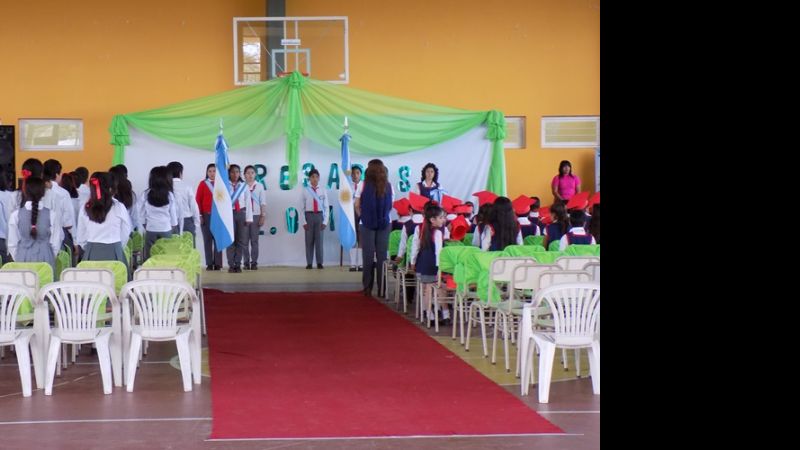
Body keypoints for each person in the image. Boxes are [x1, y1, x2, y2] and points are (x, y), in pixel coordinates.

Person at [76, 172, 132, 278]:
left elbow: (81, 236)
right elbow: (126, 231)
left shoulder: (85, 207)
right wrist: (118, 245)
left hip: (92, 253)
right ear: (111, 189)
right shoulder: (119, 207)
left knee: (91, 285)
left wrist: (89, 247)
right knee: (117, 284)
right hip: (114, 252)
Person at [8, 176, 63, 277]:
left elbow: (12, 243)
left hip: (22, 257)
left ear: (25, 191)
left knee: (24, 286)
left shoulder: (15, 215)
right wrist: (49, 255)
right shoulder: (52, 214)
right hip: (46, 258)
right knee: (46, 286)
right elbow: (56, 241)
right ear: (43, 192)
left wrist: (20, 256)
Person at [354, 159, 393, 296]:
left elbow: (357, 205)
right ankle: (382, 289)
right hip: (384, 224)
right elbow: (390, 206)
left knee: (368, 256)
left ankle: (367, 288)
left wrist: (364, 216)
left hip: (366, 224)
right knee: (382, 257)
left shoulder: (363, 184)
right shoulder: (388, 185)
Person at [410, 203, 448, 325]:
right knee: (440, 288)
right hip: (434, 265)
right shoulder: (437, 232)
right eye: (441, 217)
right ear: (432, 219)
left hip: (423, 264)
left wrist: (412, 261)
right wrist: (440, 269)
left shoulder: (421, 229)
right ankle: (445, 315)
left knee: (427, 290)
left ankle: (429, 315)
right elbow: (439, 252)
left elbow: (415, 247)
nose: (443, 220)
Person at [137, 166, 177, 261]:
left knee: (150, 256)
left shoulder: (146, 194)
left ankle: (149, 270)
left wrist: (145, 224)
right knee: (166, 256)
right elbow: (173, 215)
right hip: (166, 228)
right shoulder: (170, 195)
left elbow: (140, 212)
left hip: (150, 228)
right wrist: (173, 226)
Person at [225, 164, 253, 273]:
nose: (235, 174)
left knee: (241, 240)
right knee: (230, 240)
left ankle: (238, 264)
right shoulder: (225, 185)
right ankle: (231, 264)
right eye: (232, 172)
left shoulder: (243, 186)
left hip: (241, 213)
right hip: (229, 214)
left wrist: (249, 218)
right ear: (229, 173)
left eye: (237, 172)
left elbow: (248, 202)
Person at [196, 163, 222, 270]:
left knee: (218, 240)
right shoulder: (203, 184)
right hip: (206, 215)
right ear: (207, 172)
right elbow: (198, 200)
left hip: (219, 216)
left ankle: (218, 263)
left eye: (214, 171)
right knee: (207, 240)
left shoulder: (221, 184)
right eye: (210, 171)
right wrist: (200, 215)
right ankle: (209, 263)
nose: (212, 173)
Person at [167, 161, 201, 245]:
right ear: (180, 173)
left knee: (172, 249)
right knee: (189, 249)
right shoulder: (187, 186)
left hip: (169, 222)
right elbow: (193, 206)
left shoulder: (165, 187)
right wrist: (196, 223)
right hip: (187, 221)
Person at [301, 168, 328, 269]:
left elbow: (326, 207)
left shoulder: (323, 190)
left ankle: (319, 262)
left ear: (319, 178)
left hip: (320, 216)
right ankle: (309, 263)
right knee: (309, 241)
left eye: (316, 177)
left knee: (319, 241)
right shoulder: (305, 190)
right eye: (312, 177)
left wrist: (325, 221)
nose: (315, 179)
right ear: (309, 179)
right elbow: (301, 207)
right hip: (309, 216)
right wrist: (304, 222)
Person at [243, 165, 266, 270]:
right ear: (244, 175)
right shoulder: (242, 186)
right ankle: (246, 262)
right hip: (244, 216)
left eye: (252, 173)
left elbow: (263, 202)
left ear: (255, 174)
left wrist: (263, 216)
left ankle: (254, 262)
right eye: (248, 173)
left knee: (254, 241)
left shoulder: (260, 186)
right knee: (244, 241)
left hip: (256, 215)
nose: (250, 175)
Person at [348, 165, 364, 272]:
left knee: (361, 236)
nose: (355, 175)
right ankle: (353, 264)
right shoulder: (347, 185)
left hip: (361, 212)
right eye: (353, 173)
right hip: (350, 212)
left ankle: (361, 263)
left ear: (361, 174)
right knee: (352, 236)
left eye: (357, 173)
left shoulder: (364, 185)